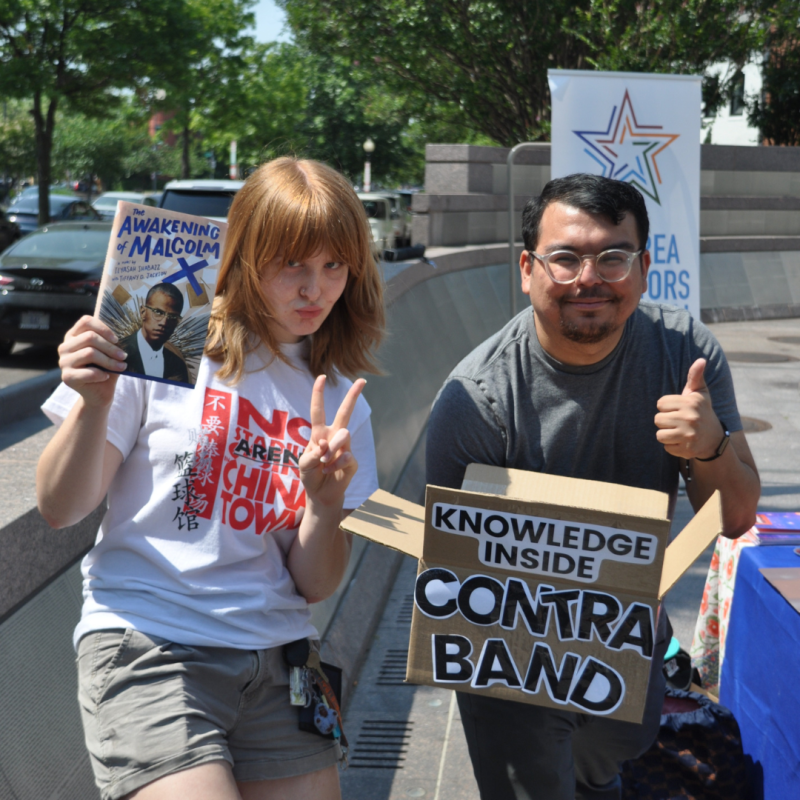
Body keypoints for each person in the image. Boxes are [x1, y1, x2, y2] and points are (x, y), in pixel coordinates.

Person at [36, 157, 385, 800]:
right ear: (247, 257)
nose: (316, 289)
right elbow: (61, 507)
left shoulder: (340, 398)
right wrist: (92, 401)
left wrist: (325, 503)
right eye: (294, 265)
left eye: (334, 265)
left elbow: (315, 584)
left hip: (285, 660)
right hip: (153, 644)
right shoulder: (170, 336)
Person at [425, 173, 760, 800]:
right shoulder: (476, 399)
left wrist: (708, 444)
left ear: (644, 266)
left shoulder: (684, 353)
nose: (589, 278)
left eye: (612, 257)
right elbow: (450, 576)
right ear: (528, 269)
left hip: (631, 641)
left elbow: (737, 517)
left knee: (607, 756)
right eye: (565, 258)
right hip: (515, 655)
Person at [118, 283, 189, 383]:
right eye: (158, 312)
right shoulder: (117, 351)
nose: (164, 322)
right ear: (143, 312)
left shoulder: (178, 365)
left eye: (172, 317)